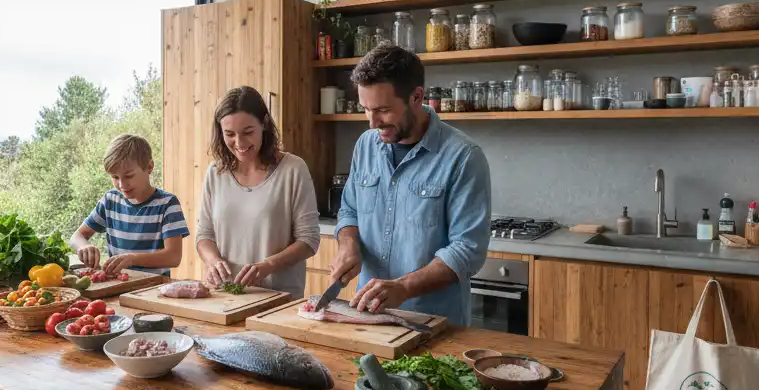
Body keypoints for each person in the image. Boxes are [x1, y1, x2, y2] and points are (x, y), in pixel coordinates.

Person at [329, 43, 490, 325]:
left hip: (433, 324)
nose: (372, 123)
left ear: (416, 97)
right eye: (366, 109)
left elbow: (467, 250)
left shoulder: (463, 157)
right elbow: (349, 212)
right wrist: (348, 244)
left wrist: (404, 287)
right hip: (367, 317)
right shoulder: (366, 145)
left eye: (383, 110)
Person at [196, 86, 320, 298]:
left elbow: (309, 240)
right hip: (225, 297)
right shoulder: (215, 173)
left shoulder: (293, 169)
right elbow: (205, 235)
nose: (240, 143)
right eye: (229, 134)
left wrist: (268, 265)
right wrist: (212, 261)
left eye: (248, 132)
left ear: (264, 124)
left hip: (278, 299)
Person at [70, 133, 188, 276]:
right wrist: (84, 246)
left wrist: (132, 259)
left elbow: (173, 257)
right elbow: (77, 236)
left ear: (149, 167)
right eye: (115, 177)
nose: (122, 184)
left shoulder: (168, 204)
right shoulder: (110, 200)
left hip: (153, 289)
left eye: (129, 176)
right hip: (117, 285)